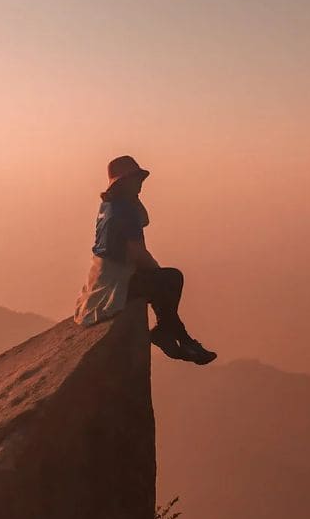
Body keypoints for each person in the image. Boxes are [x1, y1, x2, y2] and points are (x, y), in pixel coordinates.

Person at [74, 155, 217, 365]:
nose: (140, 184)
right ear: (123, 182)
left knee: (161, 286)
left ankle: (176, 336)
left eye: (140, 180)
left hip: (100, 281)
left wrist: (133, 198)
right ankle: (175, 336)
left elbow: (144, 221)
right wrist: (158, 273)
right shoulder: (125, 210)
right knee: (171, 278)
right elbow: (138, 254)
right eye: (135, 179)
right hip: (115, 284)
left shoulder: (109, 206)